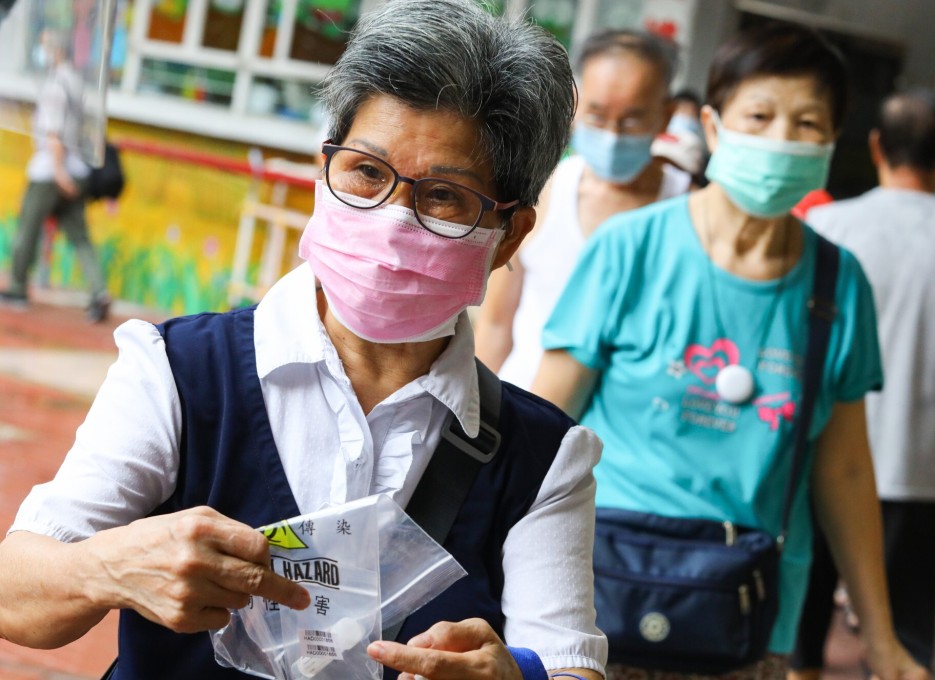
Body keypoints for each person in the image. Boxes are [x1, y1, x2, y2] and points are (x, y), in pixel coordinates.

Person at [0, 1, 608, 679]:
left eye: (442, 196)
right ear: (325, 171)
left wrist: (514, 676)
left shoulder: (543, 460)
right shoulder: (177, 372)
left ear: (511, 235)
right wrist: (110, 567)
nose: (390, 220)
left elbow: (568, 662)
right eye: (366, 173)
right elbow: (17, 597)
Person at [531, 22, 928, 680]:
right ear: (714, 129)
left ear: (830, 142)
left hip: (747, 616)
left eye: (807, 123)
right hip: (591, 600)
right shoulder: (631, 249)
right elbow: (544, 422)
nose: (781, 140)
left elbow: (847, 473)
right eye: (760, 115)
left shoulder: (837, 285)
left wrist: (880, 640)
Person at [790, 91, 935, 678]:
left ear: (877, 145)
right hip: (920, 471)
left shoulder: (825, 223)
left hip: (819, 456)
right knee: (903, 648)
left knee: (800, 641)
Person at [475, 29, 690, 388]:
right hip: (524, 408)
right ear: (576, 106)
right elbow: (497, 322)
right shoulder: (544, 190)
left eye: (632, 120)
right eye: (598, 115)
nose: (613, 134)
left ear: (665, 117)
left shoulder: (689, 207)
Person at [0, 28, 111, 323]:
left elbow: (53, 134)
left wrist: (59, 172)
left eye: (45, 45)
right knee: (81, 238)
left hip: (51, 170)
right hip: (76, 170)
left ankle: (17, 287)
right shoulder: (75, 82)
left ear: (56, 50)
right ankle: (98, 291)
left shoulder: (55, 86)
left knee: (27, 229)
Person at [652, 88, 709, 182]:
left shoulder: (694, 142)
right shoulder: (654, 134)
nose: (683, 113)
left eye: (689, 110)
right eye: (681, 108)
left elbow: (691, 172)